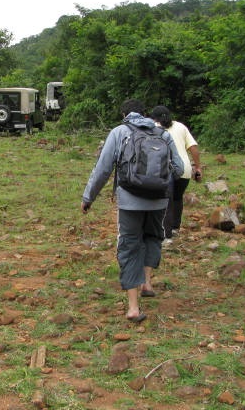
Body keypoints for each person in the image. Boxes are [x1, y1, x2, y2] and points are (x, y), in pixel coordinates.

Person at [81, 99, 184, 323]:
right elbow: (179, 168)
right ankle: (147, 282)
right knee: (153, 237)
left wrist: (88, 197)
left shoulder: (119, 132)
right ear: (145, 113)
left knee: (129, 245)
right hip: (158, 201)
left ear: (124, 114)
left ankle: (133, 308)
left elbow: (103, 168)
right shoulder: (163, 134)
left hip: (129, 201)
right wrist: (158, 181)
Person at [150, 106, 201, 242]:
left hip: (166, 169)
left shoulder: (152, 128)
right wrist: (198, 167)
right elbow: (193, 148)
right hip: (184, 169)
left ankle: (166, 234)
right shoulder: (180, 126)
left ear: (154, 118)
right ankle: (175, 227)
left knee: (167, 201)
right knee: (177, 197)